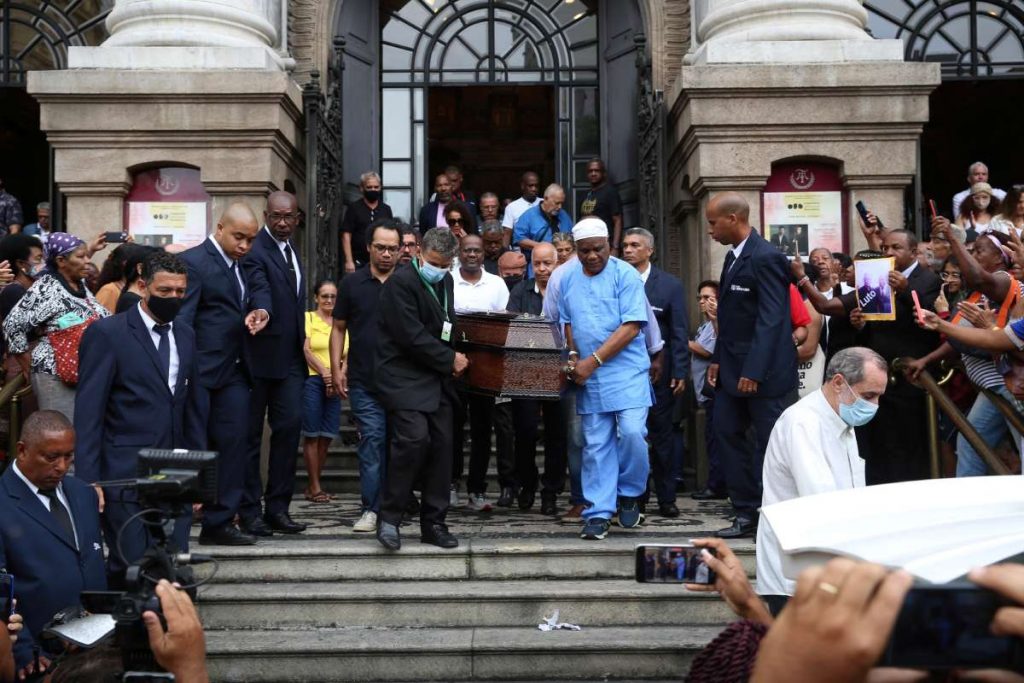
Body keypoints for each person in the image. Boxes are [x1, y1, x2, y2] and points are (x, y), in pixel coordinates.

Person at [75, 251, 203, 580]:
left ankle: (169, 631)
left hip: (175, 473)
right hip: (124, 473)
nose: (174, 298)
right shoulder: (108, 334)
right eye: (165, 292)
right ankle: (131, 631)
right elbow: (90, 411)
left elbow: (190, 408)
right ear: (144, 287)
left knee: (172, 566)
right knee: (130, 565)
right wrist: (90, 480)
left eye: (180, 292)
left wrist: (199, 474)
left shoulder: (186, 335)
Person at [756, 348, 888, 601]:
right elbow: (822, 501)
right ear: (839, 382)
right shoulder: (803, 423)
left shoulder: (842, 421)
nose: (874, 405)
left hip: (827, 569)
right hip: (797, 575)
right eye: (868, 395)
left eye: (878, 397)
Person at [705, 192, 797, 539]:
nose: (710, 230)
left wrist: (753, 371)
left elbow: (772, 319)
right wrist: (716, 360)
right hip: (731, 371)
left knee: (769, 445)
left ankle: (772, 514)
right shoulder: (732, 257)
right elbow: (731, 319)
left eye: (713, 223)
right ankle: (744, 511)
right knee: (725, 431)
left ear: (733, 219)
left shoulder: (767, 257)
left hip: (765, 376)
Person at [178, 203, 270, 545]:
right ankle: (181, 526)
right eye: (239, 237)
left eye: (250, 239)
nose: (245, 245)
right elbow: (184, 319)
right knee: (194, 447)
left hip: (236, 368)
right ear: (220, 228)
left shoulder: (245, 263)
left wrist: (261, 309)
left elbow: (260, 289)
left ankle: (220, 522)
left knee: (235, 444)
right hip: (200, 370)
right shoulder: (195, 261)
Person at [374, 228, 467, 551]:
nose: (438, 269)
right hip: (404, 376)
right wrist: (450, 358)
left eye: (444, 264)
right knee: (413, 440)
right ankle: (389, 518)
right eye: (433, 263)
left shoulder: (447, 281)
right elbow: (409, 335)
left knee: (443, 447)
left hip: (437, 378)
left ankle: (434, 523)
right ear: (418, 255)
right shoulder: (400, 283)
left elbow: (447, 322)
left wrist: (454, 355)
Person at [560, 217, 652, 541]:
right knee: (595, 445)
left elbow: (631, 326)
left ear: (608, 246)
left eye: (597, 249)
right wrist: (573, 357)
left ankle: (629, 492)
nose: (591, 256)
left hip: (626, 371)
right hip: (589, 374)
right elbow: (567, 323)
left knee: (631, 433)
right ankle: (598, 512)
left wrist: (593, 361)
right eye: (584, 251)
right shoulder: (568, 279)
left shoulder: (625, 275)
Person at [908, 220, 1020, 478]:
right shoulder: (977, 294)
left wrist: (950, 236)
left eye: (979, 251)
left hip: (1009, 385)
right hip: (991, 388)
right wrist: (928, 357)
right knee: (971, 444)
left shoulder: (1004, 281)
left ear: (999, 259)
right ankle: (972, 509)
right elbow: (961, 338)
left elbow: (979, 280)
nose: (973, 256)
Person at [0, 411, 105, 676]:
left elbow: (90, 560)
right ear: (22, 451)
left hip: (93, 652)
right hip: (36, 658)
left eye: (69, 456)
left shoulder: (83, 493)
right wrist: (21, 650)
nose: (62, 466)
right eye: (51, 457)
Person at [240, 191, 308, 535]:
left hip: (292, 359)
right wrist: (261, 310)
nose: (282, 223)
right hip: (258, 358)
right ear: (267, 215)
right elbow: (259, 287)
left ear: (297, 219)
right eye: (276, 216)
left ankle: (278, 509)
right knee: (251, 438)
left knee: (289, 430)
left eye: (288, 217)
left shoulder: (293, 250)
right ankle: (250, 511)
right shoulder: (256, 250)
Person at [331, 219, 402, 533]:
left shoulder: (408, 282)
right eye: (380, 247)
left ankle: (395, 505)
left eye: (392, 248)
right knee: (372, 442)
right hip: (363, 380)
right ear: (369, 248)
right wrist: (335, 368)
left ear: (401, 251)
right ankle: (371, 508)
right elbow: (338, 328)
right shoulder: (352, 284)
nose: (386, 254)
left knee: (400, 445)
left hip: (404, 383)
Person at [3, 233, 109, 422]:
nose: (87, 261)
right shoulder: (46, 288)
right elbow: (12, 325)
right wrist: (28, 366)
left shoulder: (79, 283)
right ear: (61, 261)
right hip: (55, 376)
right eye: (81, 256)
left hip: (81, 373)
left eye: (87, 255)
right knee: (63, 432)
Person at [621, 227, 689, 518]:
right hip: (626, 374)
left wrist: (681, 371)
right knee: (631, 437)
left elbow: (679, 330)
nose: (627, 250)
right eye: (624, 245)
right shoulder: (616, 281)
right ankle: (636, 497)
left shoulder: (670, 285)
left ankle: (666, 497)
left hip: (662, 375)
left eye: (635, 245)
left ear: (650, 250)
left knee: (663, 438)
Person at [450, 234, 512, 511]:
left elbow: (504, 325)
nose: (472, 255)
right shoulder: (446, 280)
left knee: (483, 431)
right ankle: (450, 484)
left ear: (483, 254)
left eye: (476, 250)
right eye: (467, 250)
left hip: (487, 368)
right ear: (459, 253)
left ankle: (477, 490)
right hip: (454, 365)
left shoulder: (497, 284)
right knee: (451, 429)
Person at [507, 242, 566, 515]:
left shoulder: (566, 289)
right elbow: (513, 327)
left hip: (559, 371)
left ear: (557, 263)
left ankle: (551, 491)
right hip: (526, 371)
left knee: (557, 434)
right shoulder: (520, 290)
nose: (542, 269)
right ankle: (527, 484)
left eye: (547, 263)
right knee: (526, 431)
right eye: (537, 264)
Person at [302, 279, 341, 504]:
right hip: (314, 380)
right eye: (324, 296)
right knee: (312, 435)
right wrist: (327, 373)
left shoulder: (341, 322)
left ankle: (313, 484)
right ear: (316, 297)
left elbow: (346, 354)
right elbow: (306, 350)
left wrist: (338, 375)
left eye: (333, 296)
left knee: (326, 436)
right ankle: (315, 487)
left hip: (335, 383)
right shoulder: (308, 318)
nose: (328, 300)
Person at [690, 281, 727, 501]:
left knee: (715, 438)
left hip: (714, 390)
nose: (703, 302)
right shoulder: (704, 326)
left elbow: (708, 350)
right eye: (700, 298)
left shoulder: (717, 323)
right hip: (703, 392)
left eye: (708, 298)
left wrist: (678, 342)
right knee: (710, 438)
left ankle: (716, 485)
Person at [512, 183, 573, 276]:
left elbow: (572, 238)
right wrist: (543, 248)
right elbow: (519, 239)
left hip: (563, 268)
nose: (560, 207)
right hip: (539, 267)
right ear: (546, 199)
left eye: (561, 203)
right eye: (557, 203)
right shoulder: (529, 215)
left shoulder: (564, 215)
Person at [341, 171, 393, 274]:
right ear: (362, 188)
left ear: (380, 188)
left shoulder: (386, 209)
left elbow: (392, 235)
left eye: (376, 187)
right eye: (369, 187)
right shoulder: (354, 208)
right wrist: (349, 261)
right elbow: (346, 235)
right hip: (358, 261)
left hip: (382, 260)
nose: (373, 190)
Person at [578, 158, 624, 255]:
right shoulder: (585, 194)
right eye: (590, 171)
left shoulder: (610, 192)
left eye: (597, 170)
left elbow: (617, 220)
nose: (593, 173)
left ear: (604, 173)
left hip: (604, 244)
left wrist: (615, 247)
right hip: (587, 244)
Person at [501, 171, 541, 247]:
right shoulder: (512, 207)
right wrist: (505, 253)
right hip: (520, 252)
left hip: (543, 251)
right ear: (523, 186)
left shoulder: (544, 203)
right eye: (530, 186)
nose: (534, 189)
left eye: (536, 186)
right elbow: (507, 233)